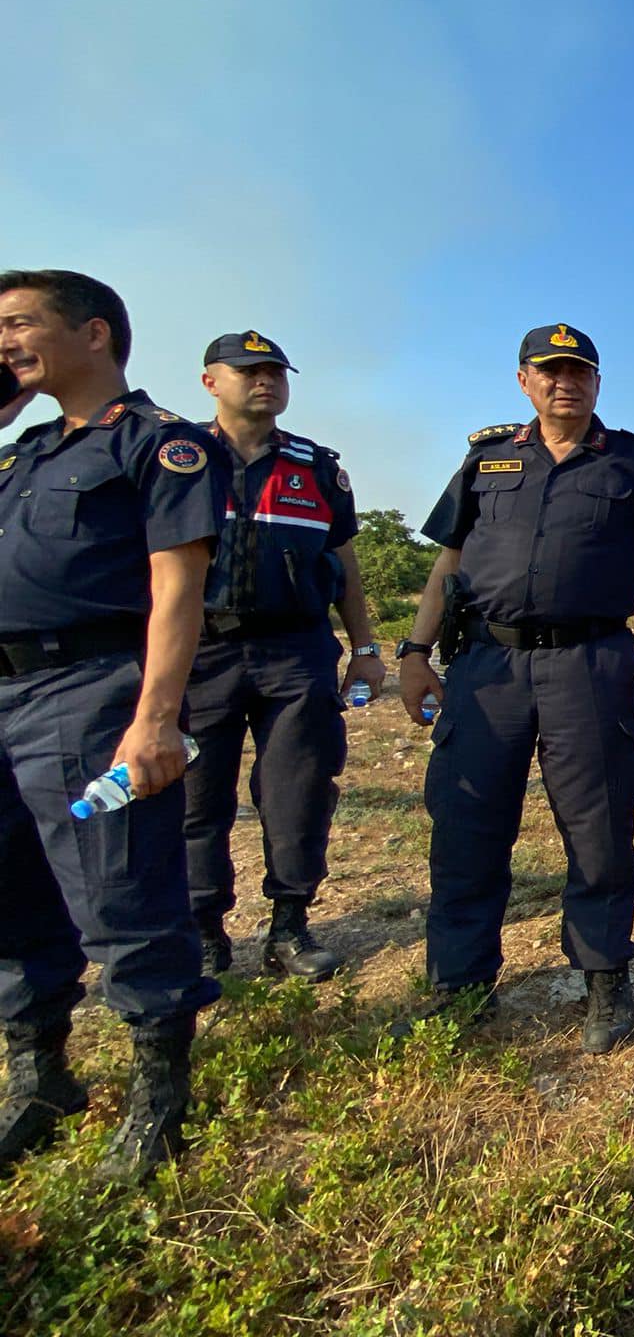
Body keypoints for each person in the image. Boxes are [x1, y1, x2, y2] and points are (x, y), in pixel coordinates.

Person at [397, 324, 634, 1055]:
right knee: (468, 827)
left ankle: (603, 974)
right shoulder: (486, 458)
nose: (567, 383)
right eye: (550, 371)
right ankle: (460, 983)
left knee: (597, 825)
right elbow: (448, 561)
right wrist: (413, 650)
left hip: (587, 665)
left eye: (580, 372)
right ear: (524, 380)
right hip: (486, 669)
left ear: (597, 382)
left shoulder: (633, 459)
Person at [0, 269, 224, 1178]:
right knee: (11, 891)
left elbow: (178, 588)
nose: (3, 341)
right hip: (4, 698)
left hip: (89, 698)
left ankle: (159, 1092)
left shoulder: (157, 445)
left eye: (18, 324)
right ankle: (41, 1072)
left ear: (93, 334)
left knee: (119, 886)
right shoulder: (25, 452)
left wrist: (156, 720)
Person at [182, 330, 384, 982]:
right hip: (200, 651)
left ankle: (289, 926)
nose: (265, 380)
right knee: (194, 795)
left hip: (296, 652)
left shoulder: (317, 466)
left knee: (298, 790)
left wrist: (365, 648)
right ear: (211, 381)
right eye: (248, 371)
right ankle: (205, 931)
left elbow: (344, 561)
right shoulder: (174, 458)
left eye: (274, 371)